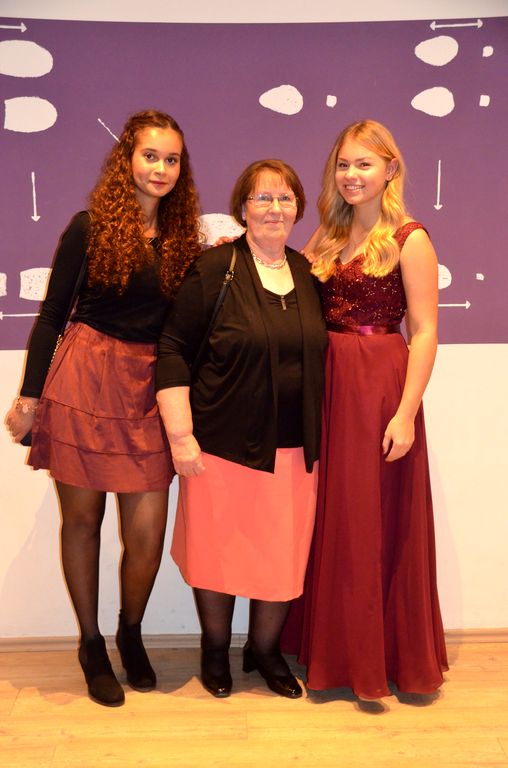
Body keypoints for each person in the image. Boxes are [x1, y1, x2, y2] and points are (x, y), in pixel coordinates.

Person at [5, 110, 201, 707]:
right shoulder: (88, 227)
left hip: (149, 389)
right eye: (150, 155)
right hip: (85, 380)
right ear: (127, 160)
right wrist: (29, 398)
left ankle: (130, 632)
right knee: (83, 522)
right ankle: (91, 645)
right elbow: (51, 316)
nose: (160, 168)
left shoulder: (185, 240)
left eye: (171, 159)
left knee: (146, 531)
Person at [282, 120, 448, 700]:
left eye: (364, 164)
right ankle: (331, 648)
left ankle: (378, 658)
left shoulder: (410, 238)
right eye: (343, 164)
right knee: (331, 516)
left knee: (370, 519)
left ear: (390, 169)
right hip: (328, 383)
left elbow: (424, 332)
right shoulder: (328, 235)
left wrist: (405, 413)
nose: (351, 175)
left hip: (379, 387)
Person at [155, 159, 327, 699]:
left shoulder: (306, 272)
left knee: (281, 555)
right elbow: (173, 349)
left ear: (298, 208)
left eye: (285, 198)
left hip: (293, 447)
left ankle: (265, 650)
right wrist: (180, 436)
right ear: (242, 209)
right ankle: (214, 650)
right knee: (217, 552)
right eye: (262, 198)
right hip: (220, 445)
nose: (274, 208)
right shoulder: (216, 269)